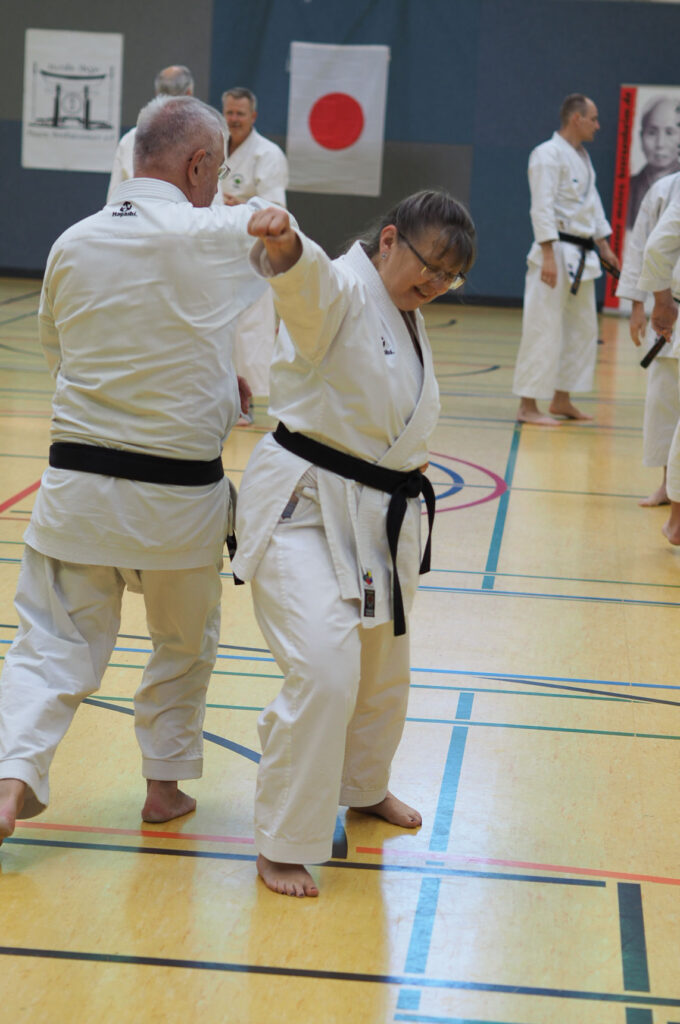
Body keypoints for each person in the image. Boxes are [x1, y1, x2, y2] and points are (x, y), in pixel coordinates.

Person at [0, 95, 267, 844]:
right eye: (217, 171)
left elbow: (65, 357)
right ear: (199, 164)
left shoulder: (71, 241)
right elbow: (258, 260)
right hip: (180, 503)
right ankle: (163, 786)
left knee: (49, 645)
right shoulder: (207, 229)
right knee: (182, 645)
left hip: (77, 492)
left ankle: (8, 780)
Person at [231, 191, 476, 897]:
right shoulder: (339, 286)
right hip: (304, 507)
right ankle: (281, 839)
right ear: (390, 239)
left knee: (381, 670)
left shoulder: (401, 308)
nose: (433, 288)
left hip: (377, 514)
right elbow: (305, 285)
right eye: (428, 270)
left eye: (448, 281)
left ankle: (364, 787)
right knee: (325, 668)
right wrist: (285, 246)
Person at [512, 94, 620, 425]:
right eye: (594, 119)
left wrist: (604, 246)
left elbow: (592, 206)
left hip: (582, 255)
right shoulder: (547, 155)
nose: (598, 126)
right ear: (576, 118)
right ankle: (528, 405)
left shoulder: (582, 157)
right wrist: (547, 254)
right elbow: (540, 206)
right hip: (555, 251)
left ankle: (562, 399)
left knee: (582, 330)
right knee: (543, 327)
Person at [219, 87, 289, 413]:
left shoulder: (268, 154)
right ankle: (219, 397)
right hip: (216, 250)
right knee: (217, 325)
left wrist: (242, 204)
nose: (233, 120)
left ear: (253, 117)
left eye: (240, 114)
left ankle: (245, 402)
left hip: (251, 253)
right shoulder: (215, 147)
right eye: (229, 113)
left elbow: (276, 209)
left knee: (249, 331)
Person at [616, 171, 680, 506]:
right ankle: (668, 486)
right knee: (664, 403)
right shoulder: (663, 190)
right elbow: (641, 245)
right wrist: (638, 304)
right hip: (668, 308)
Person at [638, 196, 680, 542]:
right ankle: (671, 497)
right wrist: (655, 302)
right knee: (665, 406)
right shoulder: (666, 188)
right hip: (675, 305)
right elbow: (648, 243)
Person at [106, 65, 194, 202]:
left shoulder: (130, 139)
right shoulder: (202, 140)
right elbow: (213, 204)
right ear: (189, 94)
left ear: (157, 94)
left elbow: (113, 200)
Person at [627, 97, 680, 230]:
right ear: (641, 136)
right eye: (652, 133)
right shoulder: (629, 188)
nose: (660, 143)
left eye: (670, 132)